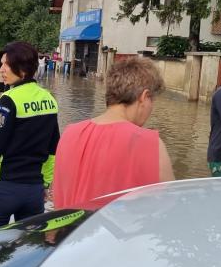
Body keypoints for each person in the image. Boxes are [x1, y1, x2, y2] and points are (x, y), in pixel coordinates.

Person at [53, 58, 174, 210]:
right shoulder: (151, 143)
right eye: (152, 100)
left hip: (70, 233)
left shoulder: (70, 133)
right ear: (144, 96)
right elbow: (169, 206)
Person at [0, 41, 60, 232]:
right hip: (33, 192)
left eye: (6, 65)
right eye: (1, 64)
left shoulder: (8, 100)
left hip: (2, 190)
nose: (0, 69)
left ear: (23, 69)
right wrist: (45, 184)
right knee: (29, 250)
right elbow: (53, 149)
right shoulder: (49, 99)